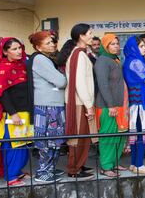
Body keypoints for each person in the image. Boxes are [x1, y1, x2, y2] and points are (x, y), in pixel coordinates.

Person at [0, 37, 33, 186]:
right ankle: (11, 177)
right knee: (12, 145)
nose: (18, 51)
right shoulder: (2, 68)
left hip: (25, 111)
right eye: (14, 49)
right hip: (12, 113)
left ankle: (18, 172)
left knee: (23, 144)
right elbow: (1, 94)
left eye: (20, 48)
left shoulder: (22, 66)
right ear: (4, 51)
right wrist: (13, 113)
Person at [27, 31, 67, 182]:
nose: (52, 45)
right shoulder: (40, 59)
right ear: (38, 47)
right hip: (47, 107)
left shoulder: (46, 59)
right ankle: (43, 173)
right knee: (47, 141)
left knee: (53, 140)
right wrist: (62, 80)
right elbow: (61, 82)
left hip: (51, 105)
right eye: (48, 43)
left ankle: (48, 169)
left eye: (52, 42)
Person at [65, 23, 97, 180]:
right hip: (80, 103)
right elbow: (79, 82)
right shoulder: (78, 54)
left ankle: (79, 165)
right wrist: (88, 105)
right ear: (81, 36)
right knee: (78, 137)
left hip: (82, 101)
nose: (92, 36)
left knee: (83, 136)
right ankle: (73, 169)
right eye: (90, 33)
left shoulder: (81, 53)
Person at [94, 34, 129, 177]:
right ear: (105, 46)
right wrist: (110, 105)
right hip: (108, 106)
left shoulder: (114, 60)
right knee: (108, 136)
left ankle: (114, 162)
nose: (116, 46)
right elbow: (103, 85)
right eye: (112, 44)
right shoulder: (102, 61)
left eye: (117, 43)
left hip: (119, 105)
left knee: (119, 136)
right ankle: (106, 167)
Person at [123, 36, 145, 175]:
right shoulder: (137, 62)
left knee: (136, 135)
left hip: (134, 102)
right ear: (134, 48)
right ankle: (139, 165)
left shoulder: (129, 61)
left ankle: (133, 164)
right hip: (140, 104)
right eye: (142, 46)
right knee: (141, 135)